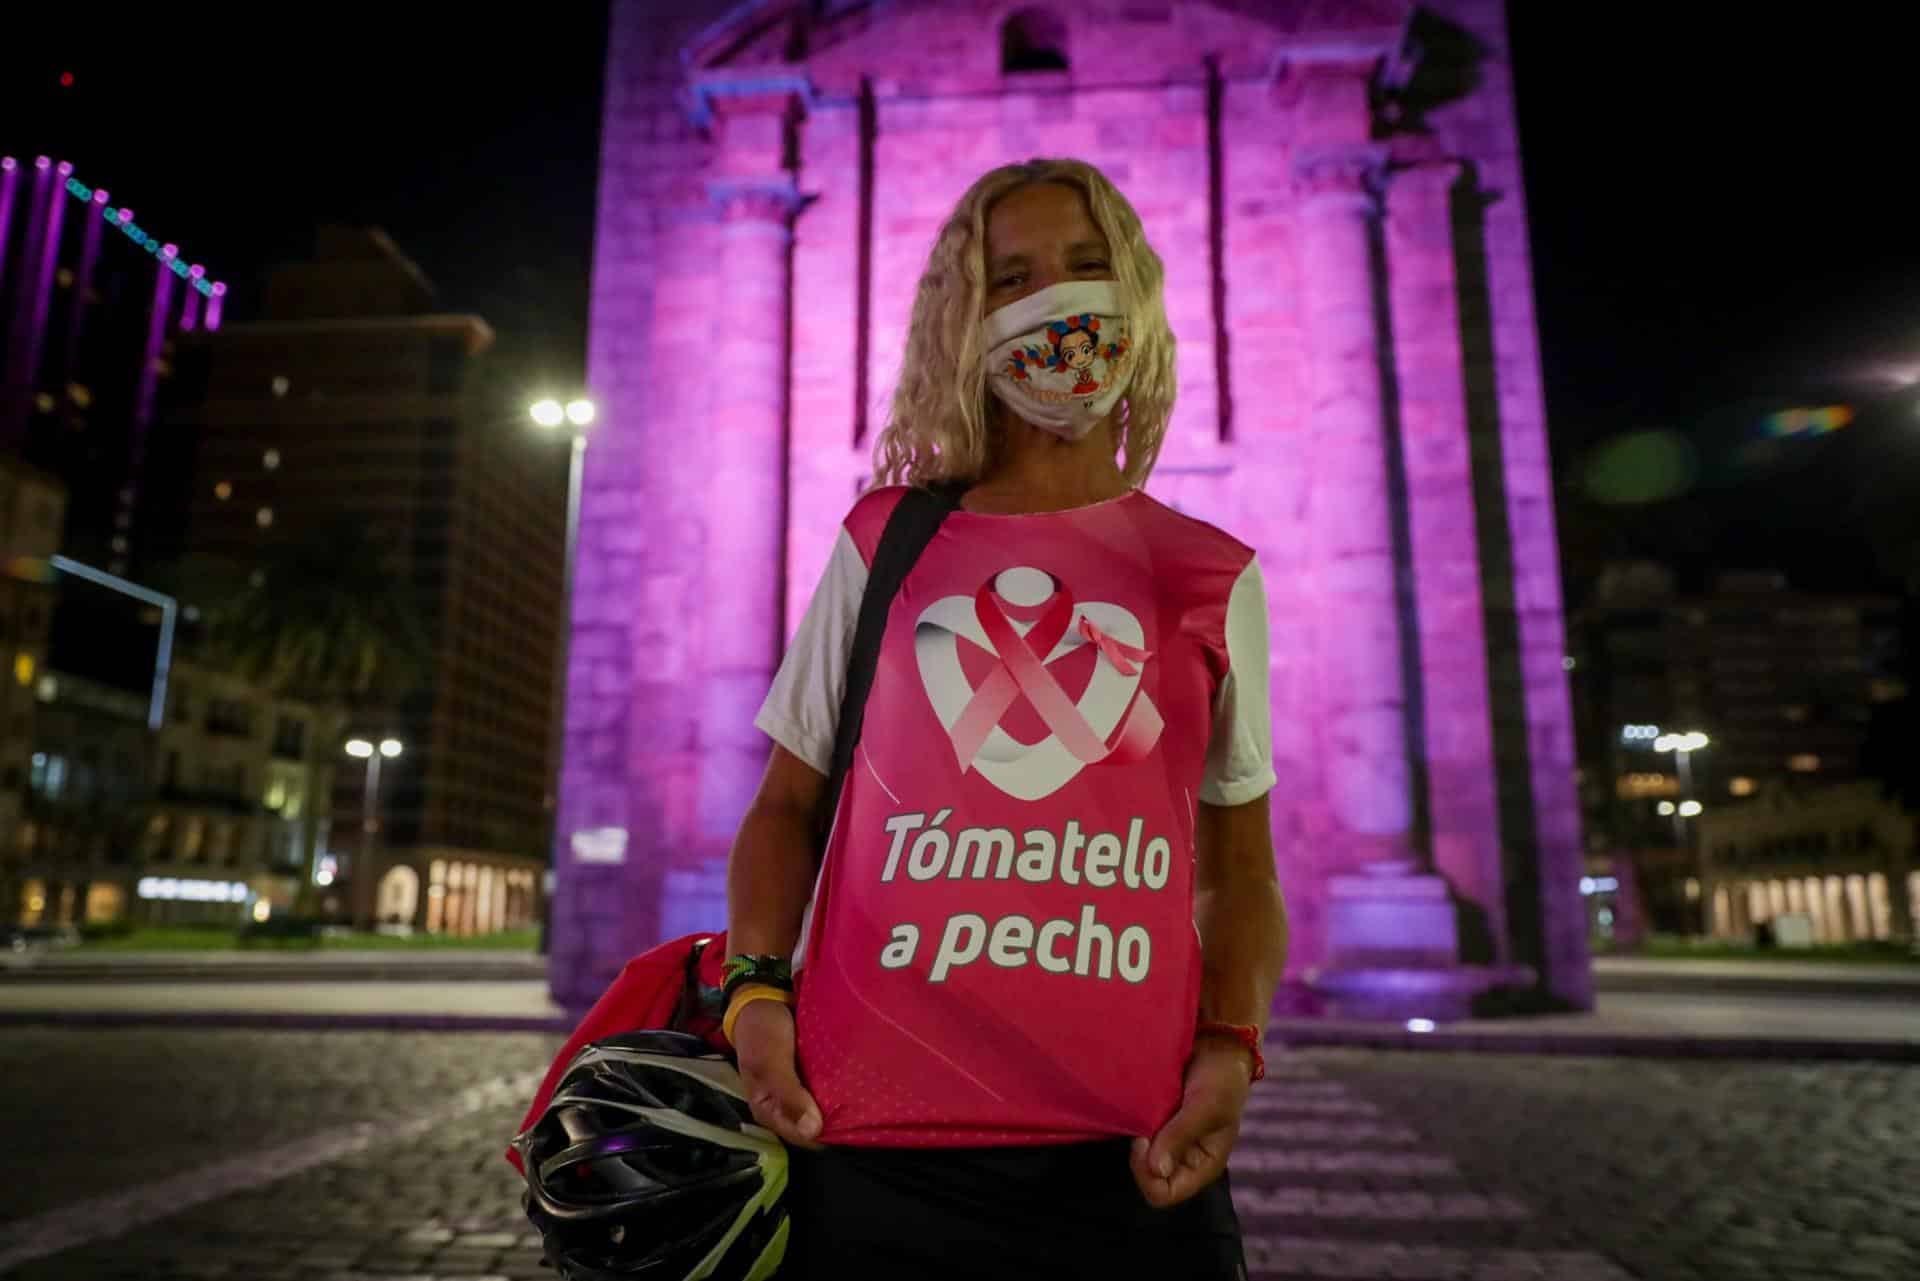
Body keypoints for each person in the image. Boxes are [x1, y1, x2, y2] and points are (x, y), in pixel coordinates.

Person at [722, 156, 1288, 1277]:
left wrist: (1229, 1051)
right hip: (873, 1143)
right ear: (968, 319)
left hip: (1128, 1155)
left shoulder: (1209, 575)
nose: (1058, 305)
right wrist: (752, 998)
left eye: (1087, 268)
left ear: (1135, 291)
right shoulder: (888, 543)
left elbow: (1240, 869)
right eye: (1014, 278)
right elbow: (786, 806)